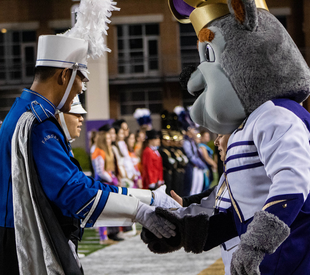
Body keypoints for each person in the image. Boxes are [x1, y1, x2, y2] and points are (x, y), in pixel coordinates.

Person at [0, 29, 175, 275]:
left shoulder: (23, 112)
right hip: (21, 242)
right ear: (64, 75)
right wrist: (139, 211)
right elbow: (74, 193)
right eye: (80, 80)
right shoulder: (39, 124)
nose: (79, 90)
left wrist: (147, 198)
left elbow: (80, 183)